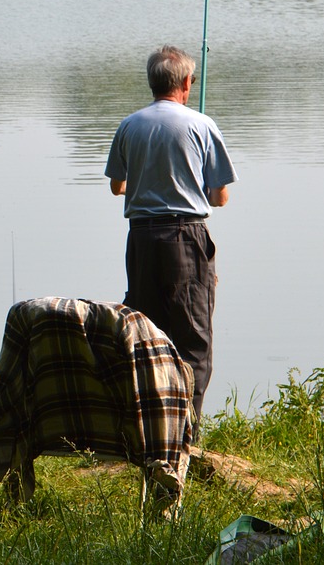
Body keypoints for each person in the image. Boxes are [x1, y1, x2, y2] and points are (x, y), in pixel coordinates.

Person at [105, 45, 237, 419]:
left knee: (145, 333)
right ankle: (185, 432)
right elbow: (220, 197)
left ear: (152, 82)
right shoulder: (201, 124)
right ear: (185, 82)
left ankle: (146, 426)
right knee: (193, 339)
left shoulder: (130, 125)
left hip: (141, 240)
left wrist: (149, 180)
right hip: (186, 237)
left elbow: (117, 187)